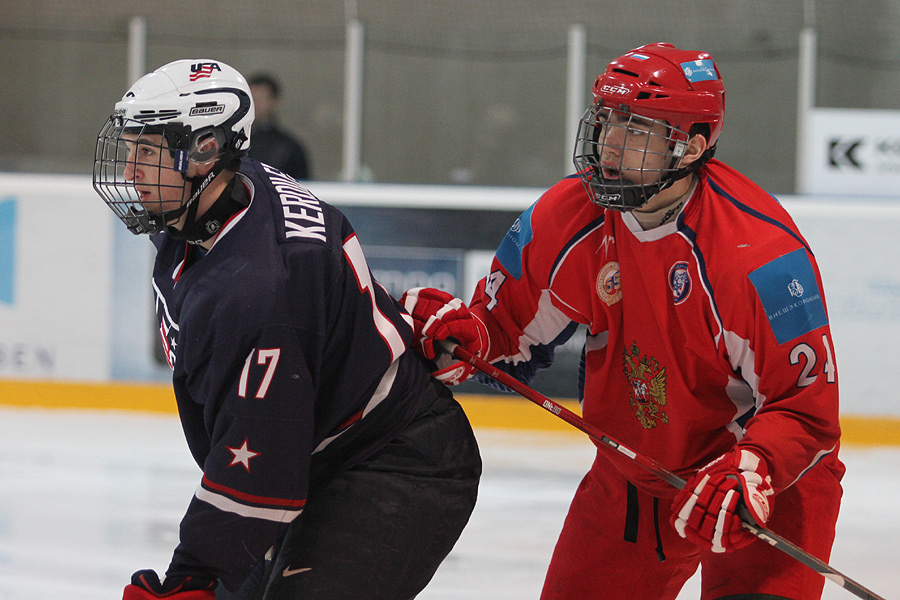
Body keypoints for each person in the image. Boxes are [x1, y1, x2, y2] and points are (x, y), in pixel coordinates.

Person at [401, 42, 844, 599]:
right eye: (608, 120)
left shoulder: (760, 259)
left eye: (636, 129)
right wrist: (460, 338)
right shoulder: (566, 217)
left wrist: (754, 469)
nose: (610, 142)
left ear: (691, 147)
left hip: (764, 491)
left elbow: (805, 409)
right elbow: (502, 333)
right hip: (635, 482)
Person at [92, 59, 481, 600]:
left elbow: (263, 453)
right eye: (132, 148)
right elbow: (325, 289)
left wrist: (191, 576)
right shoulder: (232, 192)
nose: (132, 170)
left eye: (148, 152)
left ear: (206, 148)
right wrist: (402, 318)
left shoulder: (254, 288)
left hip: (391, 461)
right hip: (313, 454)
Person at [247, 72, 311, 180]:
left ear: (274, 102)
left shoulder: (288, 148)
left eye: (260, 99)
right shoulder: (232, 142)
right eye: (251, 99)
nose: (254, 105)